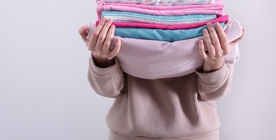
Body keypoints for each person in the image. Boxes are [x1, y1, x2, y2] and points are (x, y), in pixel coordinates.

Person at [78, 18, 245, 140]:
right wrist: (102, 57)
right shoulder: (121, 14)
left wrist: (214, 60)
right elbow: (108, 89)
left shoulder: (209, 17)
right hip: (130, 134)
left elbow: (214, 92)